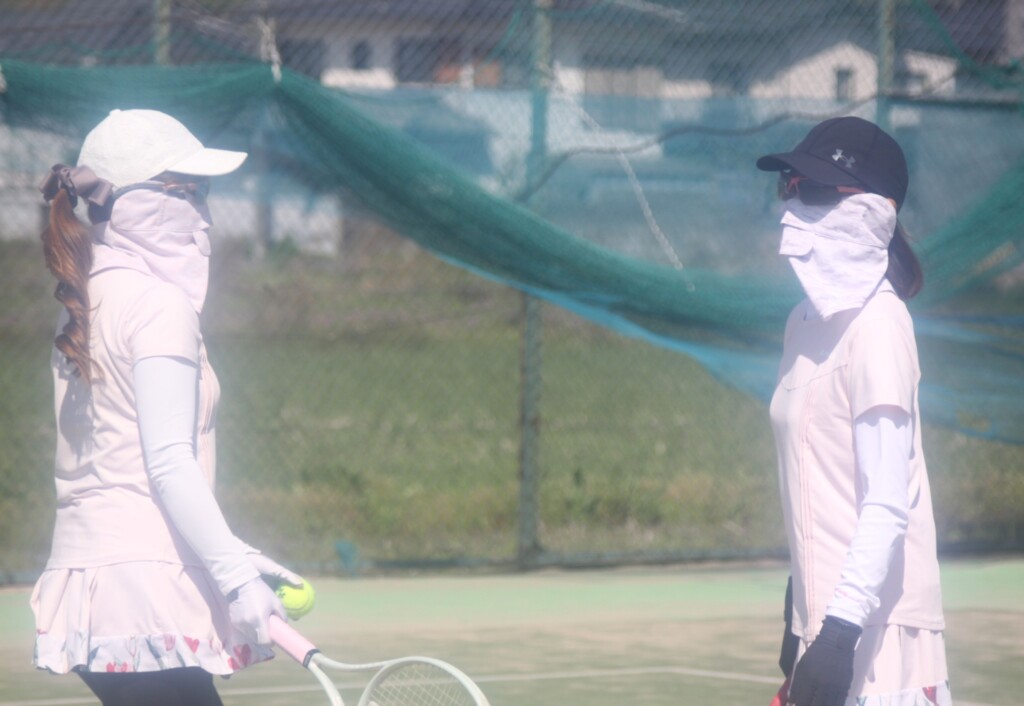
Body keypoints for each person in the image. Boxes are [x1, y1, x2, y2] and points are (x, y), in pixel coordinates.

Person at [32, 109, 304, 706]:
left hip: (93, 584)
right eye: (188, 192)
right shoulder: (159, 306)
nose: (204, 215)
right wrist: (236, 579)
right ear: (133, 202)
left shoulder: (83, 301)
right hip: (143, 591)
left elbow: (121, 460)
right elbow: (168, 463)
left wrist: (236, 555)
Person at [756, 116, 951, 706]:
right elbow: (818, 487)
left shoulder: (881, 324)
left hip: (885, 644)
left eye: (816, 189)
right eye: (790, 187)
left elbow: (886, 503)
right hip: (821, 626)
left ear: (876, 210)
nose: (796, 205)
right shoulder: (802, 324)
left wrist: (839, 636)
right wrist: (799, 620)